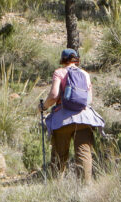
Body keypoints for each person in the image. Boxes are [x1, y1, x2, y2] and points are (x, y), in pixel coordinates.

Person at [41, 48, 105, 183]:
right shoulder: (85, 74)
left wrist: (44, 107)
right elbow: (89, 100)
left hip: (62, 120)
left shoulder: (59, 72)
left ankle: (56, 188)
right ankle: (85, 187)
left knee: (59, 155)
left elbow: (54, 95)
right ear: (76, 59)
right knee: (83, 154)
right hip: (84, 119)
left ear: (63, 60)